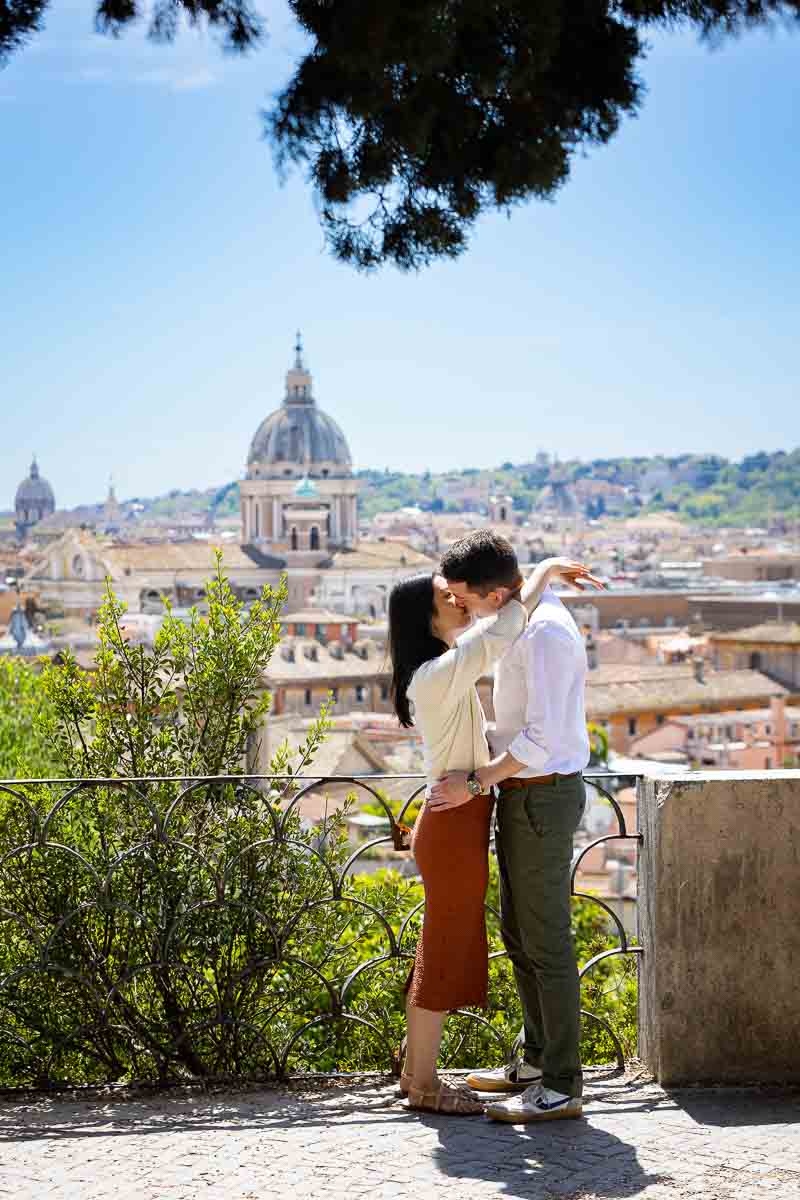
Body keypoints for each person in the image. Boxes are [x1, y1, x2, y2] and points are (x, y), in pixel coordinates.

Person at [388, 551, 601, 1117]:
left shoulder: (451, 663)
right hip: (458, 821)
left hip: (471, 811)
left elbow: (503, 624)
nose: (458, 605)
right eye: (446, 600)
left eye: (459, 594)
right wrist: (547, 569)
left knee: (481, 943)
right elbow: (503, 624)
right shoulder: (442, 671)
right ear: (428, 622)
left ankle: (428, 1075)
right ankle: (425, 1082)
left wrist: (480, 782)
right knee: (445, 950)